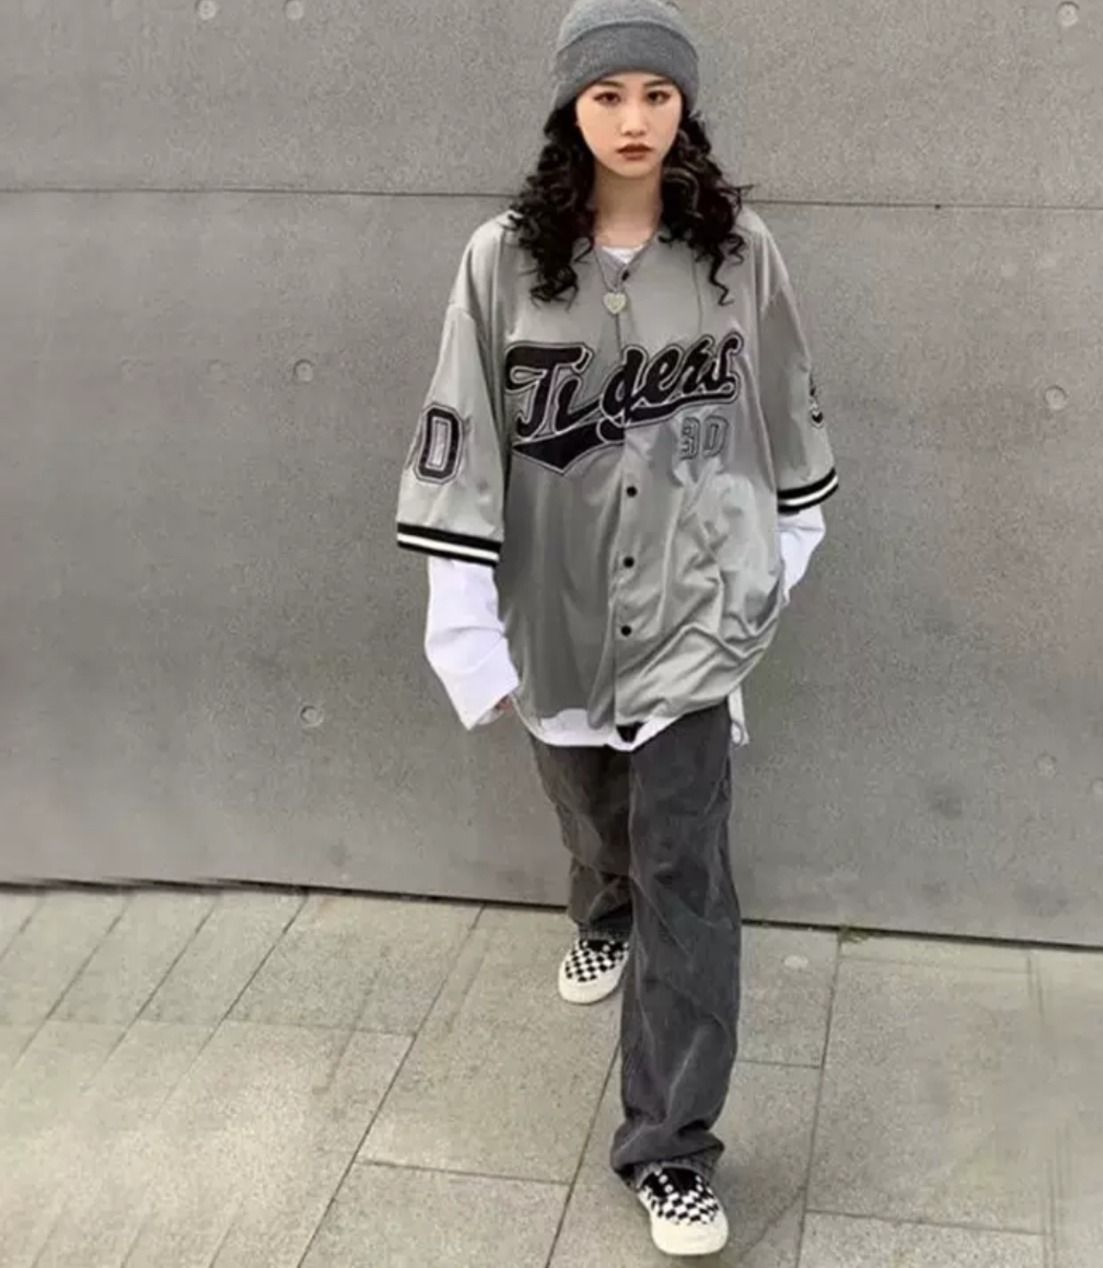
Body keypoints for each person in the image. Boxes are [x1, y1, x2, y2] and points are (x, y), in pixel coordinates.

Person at [395, 0, 836, 1254]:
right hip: (557, 610)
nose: (633, 118)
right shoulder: (500, 261)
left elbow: (787, 417)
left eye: (656, 92)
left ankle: (670, 1146)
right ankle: (601, 907)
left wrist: (771, 563)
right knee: (594, 813)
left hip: (693, 618)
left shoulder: (736, 252)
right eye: (607, 94)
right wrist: (464, 626)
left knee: (686, 872)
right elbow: (462, 432)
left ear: (683, 105)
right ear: (570, 106)